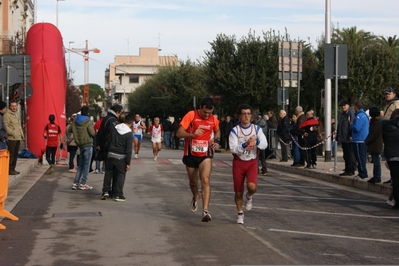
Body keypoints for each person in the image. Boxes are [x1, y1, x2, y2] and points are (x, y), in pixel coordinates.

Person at [176, 97, 220, 222]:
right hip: (190, 153)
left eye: (209, 113)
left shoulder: (213, 119)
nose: (207, 115)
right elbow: (179, 133)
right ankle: (195, 196)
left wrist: (216, 141)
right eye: (204, 112)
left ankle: (205, 211)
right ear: (200, 107)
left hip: (206, 153)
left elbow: (217, 131)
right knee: (193, 182)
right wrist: (192, 134)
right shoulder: (191, 115)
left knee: (205, 179)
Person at [229, 104, 267, 224]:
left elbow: (265, 144)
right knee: (238, 191)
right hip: (239, 162)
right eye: (243, 114)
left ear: (251, 115)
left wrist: (257, 141)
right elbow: (233, 148)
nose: (246, 116)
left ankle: (249, 196)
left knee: (252, 186)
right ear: (239, 116)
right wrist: (245, 144)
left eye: (248, 114)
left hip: (251, 162)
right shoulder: (235, 130)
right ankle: (240, 213)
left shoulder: (257, 129)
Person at [101, 113, 134, 202]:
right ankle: (118, 194)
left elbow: (108, 139)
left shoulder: (114, 128)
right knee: (120, 175)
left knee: (108, 173)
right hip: (121, 157)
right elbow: (128, 150)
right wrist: (128, 163)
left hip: (110, 154)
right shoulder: (128, 133)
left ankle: (106, 191)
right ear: (132, 122)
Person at [96, 104, 123, 197]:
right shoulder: (113, 121)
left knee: (108, 171)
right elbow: (113, 135)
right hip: (111, 148)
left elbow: (99, 133)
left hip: (105, 147)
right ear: (118, 112)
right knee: (113, 171)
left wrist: (99, 144)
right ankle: (112, 191)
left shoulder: (106, 119)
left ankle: (106, 190)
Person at [69, 106, 95, 190]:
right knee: (86, 165)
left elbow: (69, 130)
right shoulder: (88, 121)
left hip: (79, 145)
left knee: (80, 165)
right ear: (87, 113)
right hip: (87, 144)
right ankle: (83, 183)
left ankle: (75, 183)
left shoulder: (75, 121)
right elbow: (92, 133)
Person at [381, 108, 399, 209]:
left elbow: (385, 140)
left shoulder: (387, 127)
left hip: (391, 155)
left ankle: (397, 201)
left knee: (395, 180)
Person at [382, 87, 399, 184]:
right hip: (388, 132)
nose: (387, 95)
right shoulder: (389, 104)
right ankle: (392, 177)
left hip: (394, 132)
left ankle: (394, 178)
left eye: (389, 94)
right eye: (386, 94)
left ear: (394, 94)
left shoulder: (396, 104)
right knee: (389, 160)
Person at [3, 101, 24, 175]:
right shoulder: (7, 115)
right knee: (11, 155)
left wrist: (21, 135)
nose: (14, 107)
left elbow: (18, 126)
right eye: (12, 106)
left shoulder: (15, 114)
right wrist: (13, 133)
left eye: (15, 106)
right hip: (12, 138)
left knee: (15, 155)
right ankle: (9, 169)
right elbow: (6, 126)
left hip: (17, 138)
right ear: (10, 106)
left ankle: (13, 169)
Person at [336, 101, 356, 176]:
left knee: (349, 155)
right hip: (343, 138)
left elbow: (351, 125)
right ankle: (348, 169)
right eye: (342, 106)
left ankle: (350, 169)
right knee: (346, 155)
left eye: (344, 105)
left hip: (348, 138)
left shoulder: (350, 114)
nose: (343, 107)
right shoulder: (343, 114)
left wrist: (350, 135)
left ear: (348, 105)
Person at [351, 100, 369, 179]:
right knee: (361, 157)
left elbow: (357, 128)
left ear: (356, 107)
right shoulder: (364, 115)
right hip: (363, 139)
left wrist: (351, 125)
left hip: (359, 139)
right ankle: (362, 172)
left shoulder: (359, 116)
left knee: (359, 157)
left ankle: (362, 173)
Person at [364, 107, 383, 183]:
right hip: (374, 145)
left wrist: (366, 141)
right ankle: (376, 175)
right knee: (375, 161)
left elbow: (374, 134)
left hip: (376, 145)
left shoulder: (377, 123)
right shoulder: (374, 122)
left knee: (376, 161)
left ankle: (377, 176)